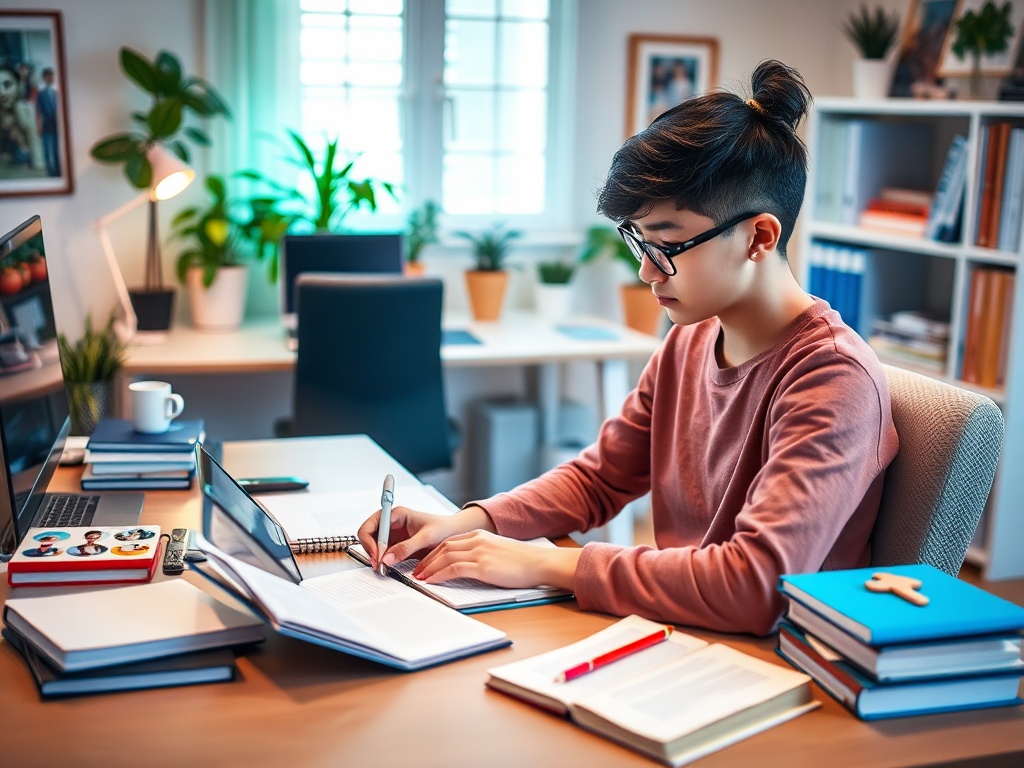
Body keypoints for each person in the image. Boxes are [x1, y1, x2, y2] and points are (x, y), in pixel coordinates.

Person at [358, 60, 898, 636]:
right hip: (681, 632)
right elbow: (599, 478)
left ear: (759, 237)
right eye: (639, 242)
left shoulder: (832, 378)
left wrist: (551, 562)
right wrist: (471, 520)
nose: (646, 270)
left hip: (774, 662)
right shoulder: (689, 340)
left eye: (665, 244)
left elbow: (756, 584)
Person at [36, 67, 60, 177]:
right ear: (44, 78)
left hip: (57, 126)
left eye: (52, 75)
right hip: (46, 126)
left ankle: (58, 172)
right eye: (47, 76)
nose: (50, 78)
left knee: (57, 150)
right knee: (47, 150)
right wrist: (38, 126)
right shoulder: (41, 94)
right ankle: (50, 172)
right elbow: (38, 111)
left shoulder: (58, 92)